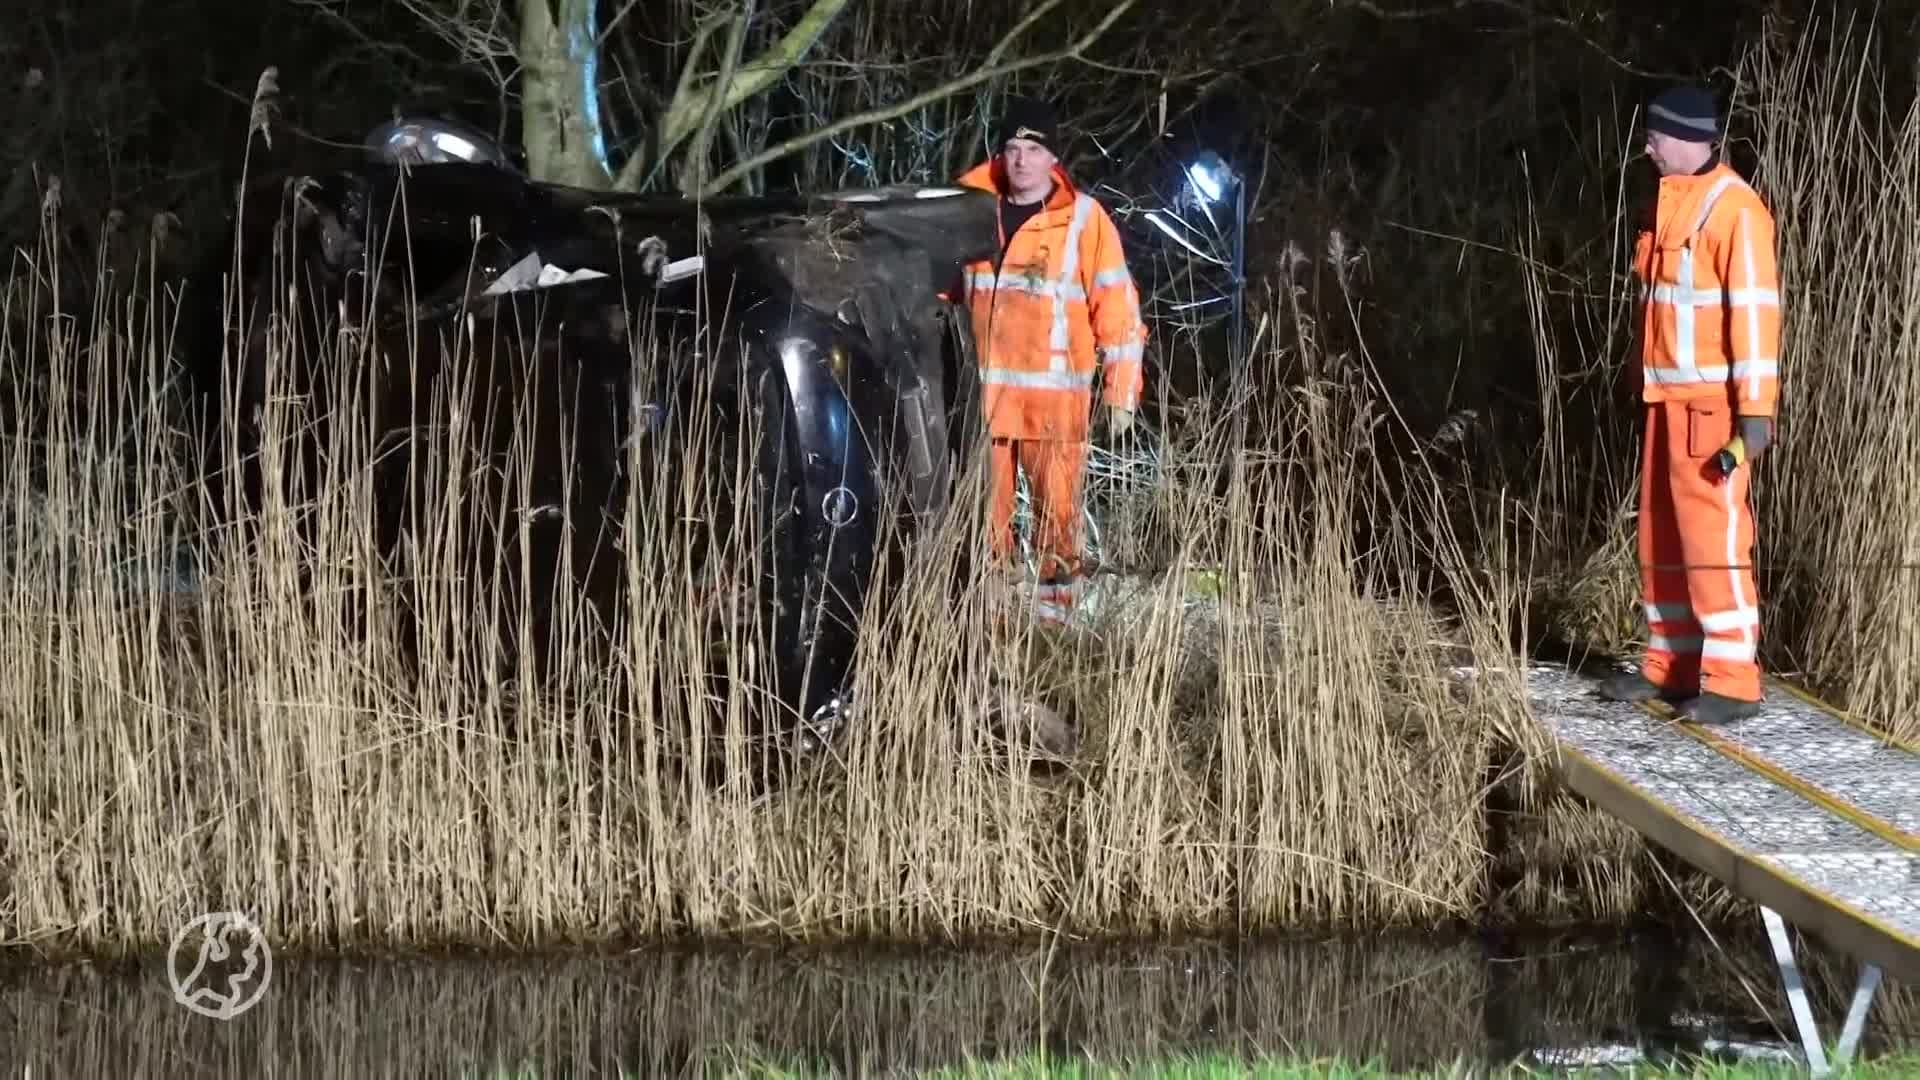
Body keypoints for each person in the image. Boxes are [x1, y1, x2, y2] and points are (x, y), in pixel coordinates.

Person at [1600, 85, 1782, 724]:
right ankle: (1671, 663)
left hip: (1711, 409)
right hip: (1663, 400)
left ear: (1691, 137)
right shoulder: (1668, 203)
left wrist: (1755, 415)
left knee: (1713, 536)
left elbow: (1756, 316)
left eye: (1657, 133)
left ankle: (1733, 675)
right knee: (1662, 537)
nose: (1647, 143)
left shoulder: (1736, 210)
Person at [953, 95, 1147, 619]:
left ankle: (1052, 626)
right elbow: (939, 292)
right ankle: (985, 624)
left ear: (1052, 158)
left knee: (1057, 522)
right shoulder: (968, 209)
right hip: (985, 406)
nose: (1020, 160)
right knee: (981, 520)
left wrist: (1122, 391)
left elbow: (1119, 307)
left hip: (1055, 406)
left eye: (1033, 149)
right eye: (1012, 148)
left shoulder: (1084, 221)